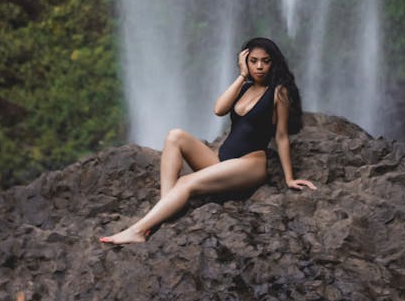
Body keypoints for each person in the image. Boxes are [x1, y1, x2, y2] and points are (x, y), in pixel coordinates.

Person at [100, 37, 316, 245]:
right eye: (253, 61)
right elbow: (219, 109)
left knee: (185, 182)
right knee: (175, 136)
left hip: (251, 165)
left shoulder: (279, 92)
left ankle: (138, 231)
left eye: (265, 61)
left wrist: (289, 178)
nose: (259, 66)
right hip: (222, 163)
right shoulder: (244, 87)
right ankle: (166, 208)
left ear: (273, 63)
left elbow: (281, 136)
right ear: (245, 62)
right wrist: (242, 75)